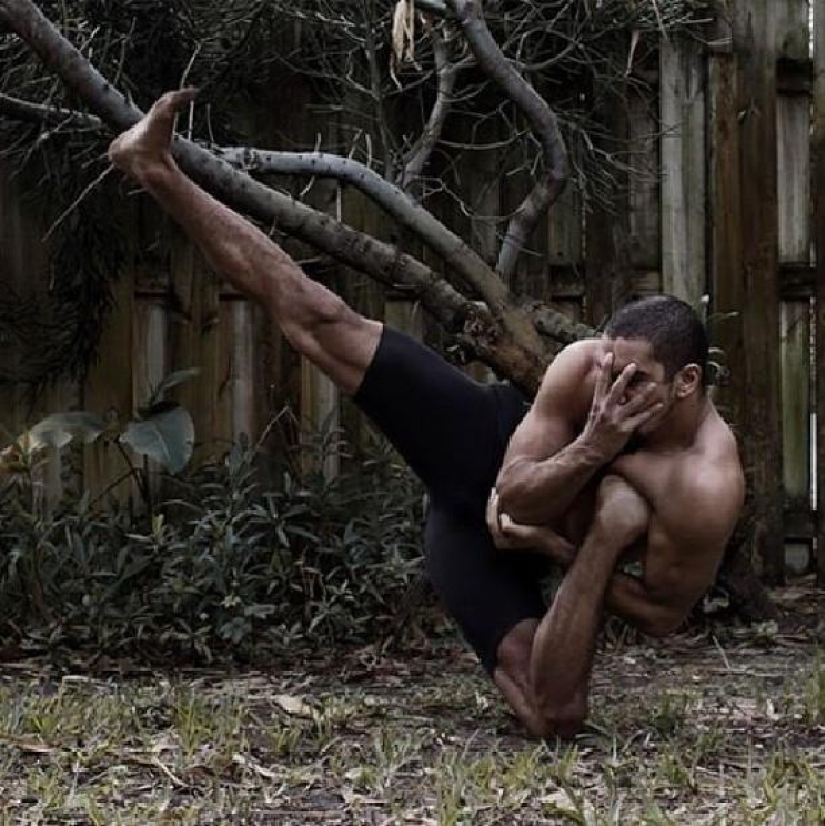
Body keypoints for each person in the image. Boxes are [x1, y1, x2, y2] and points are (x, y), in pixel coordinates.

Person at [108, 90, 745, 739]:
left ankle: (583, 543)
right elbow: (511, 498)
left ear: (684, 383)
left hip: (527, 547)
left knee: (554, 717)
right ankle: (156, 168)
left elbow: (662, 614)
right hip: (481, 455)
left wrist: (572, 544)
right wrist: (591, 445)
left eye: (633, 380)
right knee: (321, 322)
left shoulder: (704, 484)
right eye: (607, 370)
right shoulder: (586, 366)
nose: (609, 387)